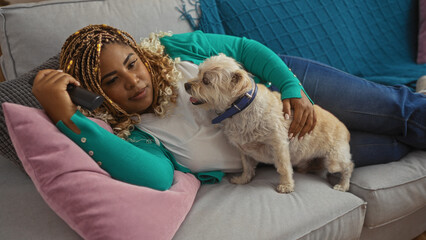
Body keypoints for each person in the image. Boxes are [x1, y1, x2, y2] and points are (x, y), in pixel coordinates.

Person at [32, 24, 426, 191]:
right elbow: (153, 177)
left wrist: (292, 88)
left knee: (401, 110)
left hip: (287, 90)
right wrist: (67, 115)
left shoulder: (170, 48)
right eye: (110, 81)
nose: (133, 81)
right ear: (96, 92)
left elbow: (242, 49)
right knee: (396, 145)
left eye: (131, 63)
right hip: (291, 151)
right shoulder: (132, 133)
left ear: (139, 52)